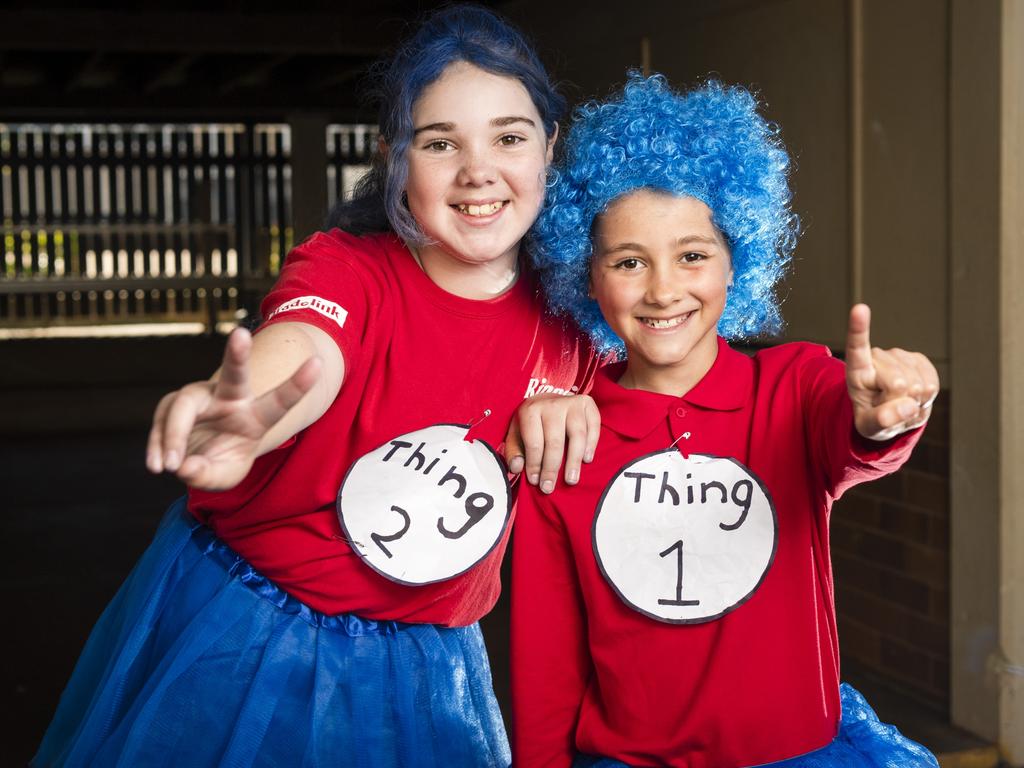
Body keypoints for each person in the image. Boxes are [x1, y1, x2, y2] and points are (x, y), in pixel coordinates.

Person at [33, 6, 602, 767]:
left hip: (428, 664)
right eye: (439, 143)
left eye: (509, 136)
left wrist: (581, 407)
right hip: (252, 634)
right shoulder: (348, 270)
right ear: (393, 158)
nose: (479, 170)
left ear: (548, 146)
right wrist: (242, 414)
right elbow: (306, 349)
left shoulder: (576, 313)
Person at [511, 74, 941, 767]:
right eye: (628, 261)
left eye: (692, 255)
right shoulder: (566, 441)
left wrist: (884, 421)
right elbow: (545, 666)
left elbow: (855, 441)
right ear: (584, 276)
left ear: (737, 259)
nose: (662, 289)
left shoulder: (796, 388)